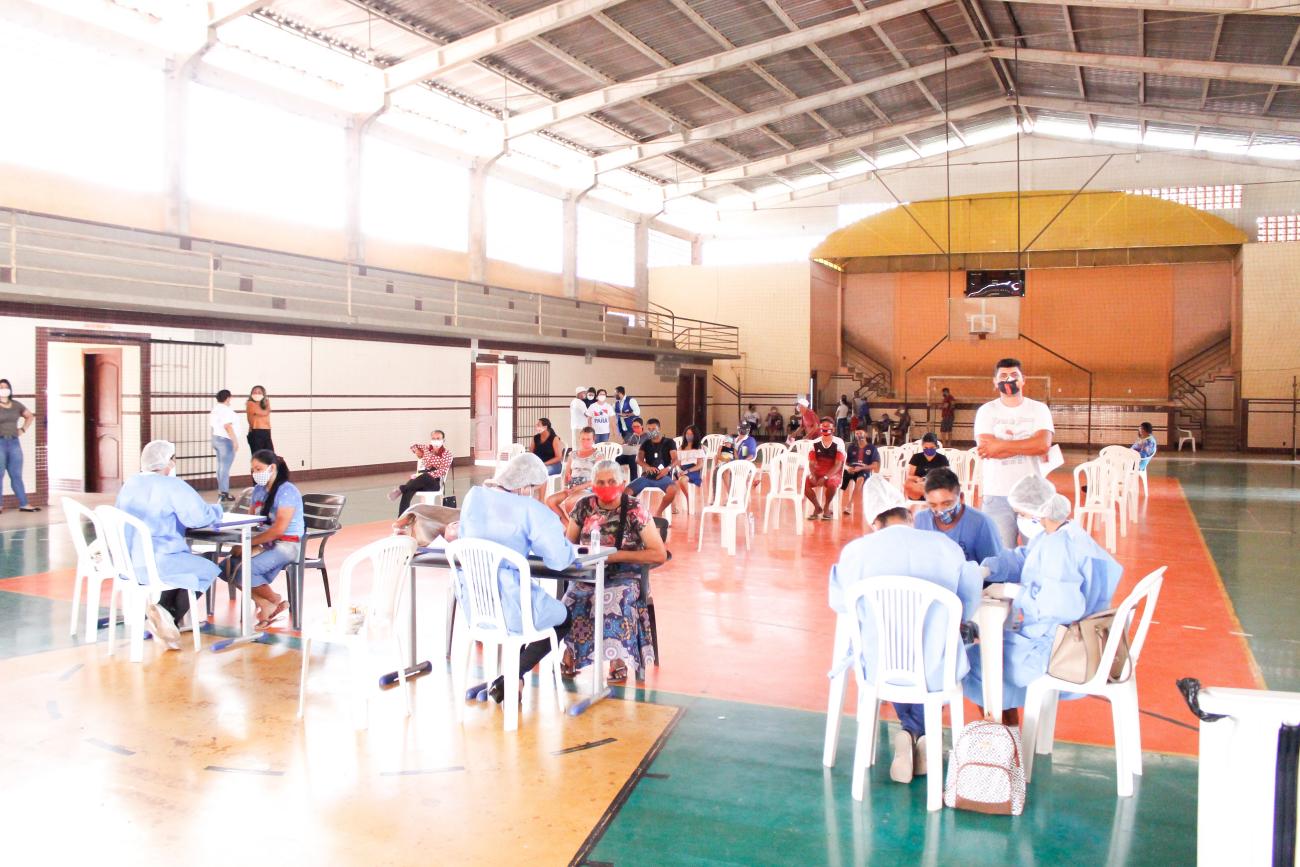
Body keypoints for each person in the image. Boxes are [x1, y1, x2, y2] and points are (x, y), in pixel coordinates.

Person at [830, 502, 984, 784]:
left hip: (880, 668)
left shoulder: (856, 551)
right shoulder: (945, 547)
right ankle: (920, 734)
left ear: (876, 523)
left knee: (893, 654)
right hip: (935, 668)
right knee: (935, 654)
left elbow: (839, 601)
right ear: (910, 518)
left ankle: (909, 731)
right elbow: (968, 602)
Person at [966, 473, 1123, 719]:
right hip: (1061, 637)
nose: (1019, 519)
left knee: (977, 660)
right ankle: (1009, 729)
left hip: (1058, 647)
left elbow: (1062, 606)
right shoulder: (1057, 533)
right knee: (991, 652)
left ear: (1037, 513)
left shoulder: (1060, 547)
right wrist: (989, 568)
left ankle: (1002, 733)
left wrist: (1012, 591)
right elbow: (1026, 558)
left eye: (1021, 514)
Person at [458, 452, 576, 705]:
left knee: (528, 613)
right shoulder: (531, 509)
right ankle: (511, 677)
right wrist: (571, 548)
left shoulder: (474, 497)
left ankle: (512, 680)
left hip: (476, 605)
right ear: (525, 486)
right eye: (535, 488)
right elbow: (558, 560)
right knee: (562, 618)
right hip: (510, 605)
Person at [562, 460, 666, 683]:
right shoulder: (584, 506)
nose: (606, 486)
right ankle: (570, 654)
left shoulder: (635, 509)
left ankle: (617, 659)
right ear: (593, 484)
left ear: (622, 483)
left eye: (612, 481)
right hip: (590, 572)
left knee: (612, 599)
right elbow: (567, 546)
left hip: (626, 574)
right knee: (573, 598)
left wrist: (615, 556)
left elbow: (659, 554)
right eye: (600, 482)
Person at [115, 440, 225, 649]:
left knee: (186, 566)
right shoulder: (172, 486)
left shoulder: (131, 483)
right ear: (168, 462)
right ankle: (169, 616)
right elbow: (199, 517)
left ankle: (162, 614)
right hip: (159, 562)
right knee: (208, 568)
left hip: (127, 563)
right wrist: (218, 510)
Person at [974, 358, 1055, 548]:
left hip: (1033, 494)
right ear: (995, 382)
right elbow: (987, 450)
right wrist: (1028, 444)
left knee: (1036, 551)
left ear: (1023, 379)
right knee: (1000, 553)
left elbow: (1043, 445)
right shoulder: (986, 411)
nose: (1008, 379)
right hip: (997, 494)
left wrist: (1000, 446)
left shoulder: (1039, 409)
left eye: (1013, 375)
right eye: (1003, 376)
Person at [220, 450, 303, 628]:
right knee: (226, 567)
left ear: (272, 468)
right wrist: (243, 544)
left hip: (286, 544)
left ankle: (271, 601)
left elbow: (278, 530)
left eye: (258, 469)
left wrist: (248, 544)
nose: (255, 473)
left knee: (246, 569)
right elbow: (251, 522)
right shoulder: (258, 490)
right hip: (262, 541)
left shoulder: (288, 491)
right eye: (252, 470)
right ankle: (269, 602)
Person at [914, 468, 1002, 565]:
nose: (940, 510)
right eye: (933, 505)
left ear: (961, 498)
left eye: (947, 503)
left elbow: (994, 568)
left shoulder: (981, 523)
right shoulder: (920, 521)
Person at [390, 429, 452, 516]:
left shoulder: (447, 454)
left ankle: (402, 488)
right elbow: (413, 446)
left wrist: (426, 475)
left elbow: (442, 471)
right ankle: (402, 518)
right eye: (433, 438)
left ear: (443, 440)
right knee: (408, 491)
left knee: (424, 476)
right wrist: (417, 451)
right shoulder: (426, 449)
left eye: (438, 438)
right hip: (421, 480)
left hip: (434, 482)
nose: (435, 440)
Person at [627, 418, 680, 517]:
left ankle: (659, 512)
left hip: (663, 476)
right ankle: (633, 514)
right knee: (626, 492)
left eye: (654, 429)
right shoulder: (646, 443)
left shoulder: (669, 442)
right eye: (649, 429)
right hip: (647, 476)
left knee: (673, 490)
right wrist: (647, 467)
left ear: (659, 429)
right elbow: (638, 459)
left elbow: (676, 459)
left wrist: (667, 469)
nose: (651, 431)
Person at [0, 378, 38, 513]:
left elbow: (30, 416)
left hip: (14, 443)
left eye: (6, 387)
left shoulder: (16, 405)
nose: (3, 389)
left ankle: (24, 504)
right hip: (0, 443)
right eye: (1, 387)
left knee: (16, 474)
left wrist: (22, 429)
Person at [545, 427, 598, 519]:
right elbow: (567, 474)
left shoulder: (598, 455)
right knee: (550, 500)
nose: (585, 441)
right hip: (572, 487)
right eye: (583, 439)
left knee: (570, 502)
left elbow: (597, 479)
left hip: (588, 488)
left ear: (594, 439)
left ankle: (574, 526)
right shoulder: (572, 454)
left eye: (588, 439)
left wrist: (578, 488)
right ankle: (568, 525)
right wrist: (565, 487)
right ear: (579, 439)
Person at [804, 418, 845, 520]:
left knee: (832, 483)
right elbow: (811, 463)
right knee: (805, 483)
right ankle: (817, 507)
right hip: (818, 471)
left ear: (833, 429)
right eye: (823, 425)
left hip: (834, 472)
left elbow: (838, 465)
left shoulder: (839, 442)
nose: (825, 427)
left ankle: (826, 506)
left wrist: (826, 477)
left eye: (828, 426)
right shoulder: (814, 442)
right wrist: (813, 474)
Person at [841, 429, 880, 517]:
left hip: (863, 470)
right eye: (857, 433)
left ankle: (850, 505)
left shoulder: (872, 448)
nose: (859, 435)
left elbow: (875, 465)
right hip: (852, 469)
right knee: (840, 479)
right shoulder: (851, 447)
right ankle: (834, 504)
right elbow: (846, 462)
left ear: (865, 434)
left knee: (860, 479)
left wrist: (862, 468)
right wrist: (848, 468)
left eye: (861, 433)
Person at [208, 389, 239, 503]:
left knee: (221, 467)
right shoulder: (226, 410)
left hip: (216, 438)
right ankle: (224, 493)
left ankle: (221, 491)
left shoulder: (215, 409)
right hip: (226, 441)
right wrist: (235, 441)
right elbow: (227, 426)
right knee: (225, 468)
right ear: (228, 398)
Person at [905, 432, 949, 500]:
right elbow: (909, 476)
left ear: (936, 446)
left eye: (931, 448)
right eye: (926, 448)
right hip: (919, 488)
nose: (929, 450)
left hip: (936, 487)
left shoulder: (942, 458)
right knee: (909, 485)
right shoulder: (916, 457)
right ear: (922, 446)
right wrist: (917, 479)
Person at [674, 424, 705, 503]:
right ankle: (674, 506)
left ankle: (688, 498)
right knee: (669, 483)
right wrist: (679, 470)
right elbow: (677, 462)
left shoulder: (698, 448)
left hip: (693, 470)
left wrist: (687, 471)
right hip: (682, 469)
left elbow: (700, 465)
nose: (689, 436)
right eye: (687, 434)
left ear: (695, 435)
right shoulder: (681, 448)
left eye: (691, 434)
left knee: (682, 480)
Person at [245, 385, 274, 453]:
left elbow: (267, 412)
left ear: (263, 394)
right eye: (254, 392)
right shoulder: (250, 403)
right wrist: (265, 408)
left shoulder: (266, 402)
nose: (256, 394)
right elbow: (263, 412)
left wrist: (266, 405)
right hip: (256, 431)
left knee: (270, 455)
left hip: (267, 431)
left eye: (259, 392)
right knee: (258, 455)